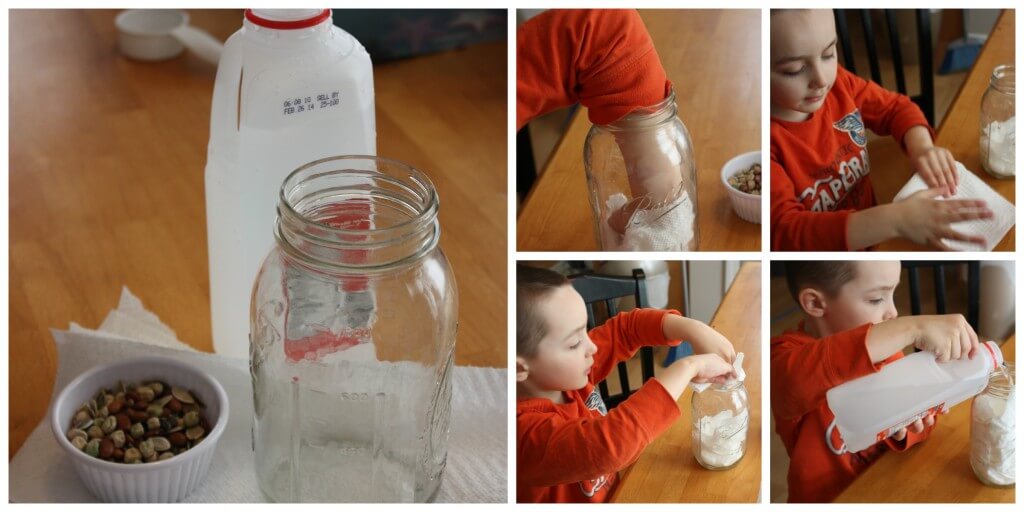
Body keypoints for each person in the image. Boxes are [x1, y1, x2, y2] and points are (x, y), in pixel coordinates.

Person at [769, 9, 992, 251]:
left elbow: (896, 108)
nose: (822, 79)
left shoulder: (840, 84)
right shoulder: (763, 144)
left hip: (873, 234)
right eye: (794, 69)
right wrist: (895, 220)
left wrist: (922, 147)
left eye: (828, 54)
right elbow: (787, 231)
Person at [516, 264, 737, 502]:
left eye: (585, 332)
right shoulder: (525, 436)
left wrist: (694, 329)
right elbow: (610, 444)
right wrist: (688, 366)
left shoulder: (565, 373)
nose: (591, 346)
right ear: (520, 367)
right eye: (573, 344)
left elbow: (625, 330)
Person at [772, 260, 980, 502]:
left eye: (893, 294)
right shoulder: (784, 357)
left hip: (886, 490)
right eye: (876, 299)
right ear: (815, 303)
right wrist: (911, 328)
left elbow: (923, 425)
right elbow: (793, 383)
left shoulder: (888, 354)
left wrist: (908, 429)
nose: (893, 313)